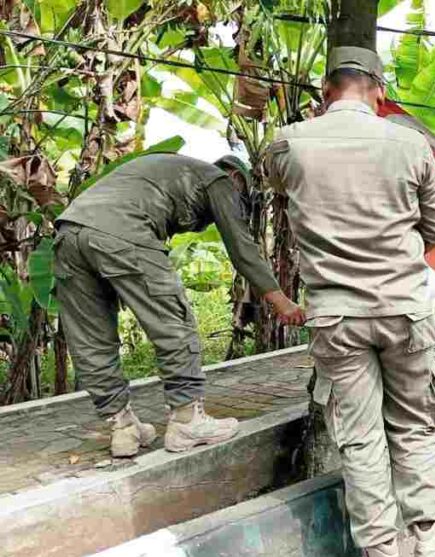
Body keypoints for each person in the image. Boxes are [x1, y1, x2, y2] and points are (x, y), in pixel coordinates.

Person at [264, 46, 435, 557]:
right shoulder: (410, 144)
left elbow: (282, 193)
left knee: (361, 440)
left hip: (336, 317)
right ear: (380, 92)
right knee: (414, 430)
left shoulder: (289, 143)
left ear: (326, 91)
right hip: (403, 311)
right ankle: (433, 553)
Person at [54, 154, 304, 457]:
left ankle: (123, 427)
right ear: (238, 181)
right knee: (173, 323)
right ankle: (187, 421)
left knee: (90, 338)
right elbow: (242, 249)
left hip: (68, 232)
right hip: (122, 232)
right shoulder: (221, 180)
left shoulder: (169, 171)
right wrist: (282, 302)